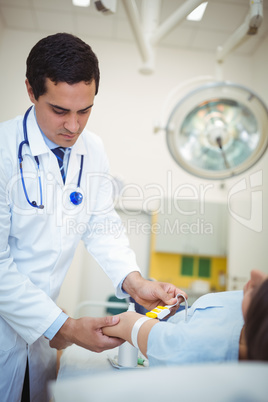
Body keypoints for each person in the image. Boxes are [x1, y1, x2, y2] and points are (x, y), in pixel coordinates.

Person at [0, 33, 186, 402]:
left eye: (84, 110)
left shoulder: (92, 150)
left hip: (38, 339)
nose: (74, 126)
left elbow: (100, 224)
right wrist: (66, 328)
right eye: (59, 110)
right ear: (30, 91)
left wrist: (135, 284)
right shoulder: (4, 152)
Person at [103, 270, 268, 364]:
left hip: (163, 323)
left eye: (263, 289)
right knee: (149, 300)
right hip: (179, 313)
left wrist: (76, 330)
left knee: (137, 305)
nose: (255, 274)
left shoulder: (198, 349)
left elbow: (124, 323)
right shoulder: (249, 318)